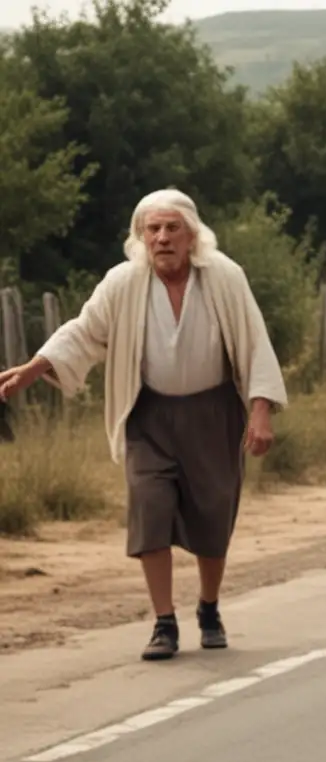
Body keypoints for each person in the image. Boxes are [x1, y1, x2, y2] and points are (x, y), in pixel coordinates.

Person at [0, 190, 286, 660]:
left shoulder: (224, 278)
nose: (162, 237)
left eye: (172, 228)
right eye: (153, 229)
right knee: (149, 512)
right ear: (140, 237)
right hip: (148, 416)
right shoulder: (123, 282)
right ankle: (164, 623)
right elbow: (85, 330)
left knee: (213, 516)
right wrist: (34, 367)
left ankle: (208, 608)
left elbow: (255, 341)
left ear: (192, 235)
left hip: (213, 413)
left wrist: (260, 410)